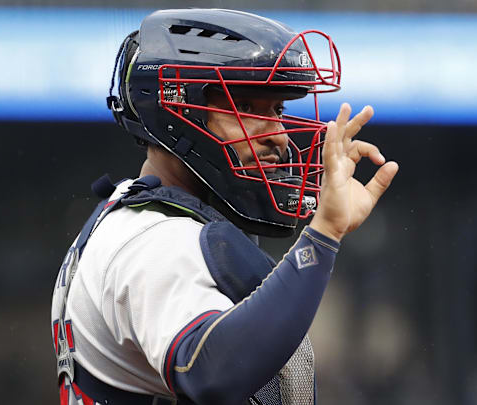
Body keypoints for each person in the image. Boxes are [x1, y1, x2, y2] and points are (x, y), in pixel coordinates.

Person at [50, 9, 398, 405]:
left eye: (277, 111)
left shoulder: (140, 215)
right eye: (248, 108)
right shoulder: (152, 238)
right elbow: (212, 372)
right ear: (179, 109)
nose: (279, 136)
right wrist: (323, 236)